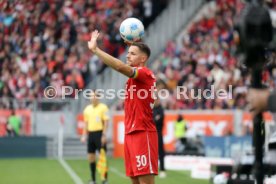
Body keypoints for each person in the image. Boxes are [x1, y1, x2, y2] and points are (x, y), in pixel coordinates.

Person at [88, 30, 158, 184]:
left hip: (143, 132)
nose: (127, 56)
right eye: (128, 53)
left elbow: (120, 67)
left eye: (132, 54)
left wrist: (95, 50)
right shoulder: (135, 79)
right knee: (134, 181)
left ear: (143, 58)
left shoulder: (145, 73)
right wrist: (132, 44)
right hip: (130, 133)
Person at [81, 91, 109, 184]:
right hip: (91, 134)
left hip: (100, 134)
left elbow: (106, 122)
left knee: (102, 157)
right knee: (91, 157)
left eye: (95, 96)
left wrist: (104, 135)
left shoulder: (103, 107)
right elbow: (86, 124)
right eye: (91, 96)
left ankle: (104, 179)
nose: (93, 98)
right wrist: (84, 135)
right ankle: (93, 179)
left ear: (98, 97)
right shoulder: (87, 109)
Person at [153, 98, 166, 178]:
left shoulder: (161, 109)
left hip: (158, 132)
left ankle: (162, 169)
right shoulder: (152, 109)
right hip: (151, 132)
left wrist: (154, 120)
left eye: (157, 100)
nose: (156, 102)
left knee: (161, 151)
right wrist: (155, 119)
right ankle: (153, 168)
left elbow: (159, 120)